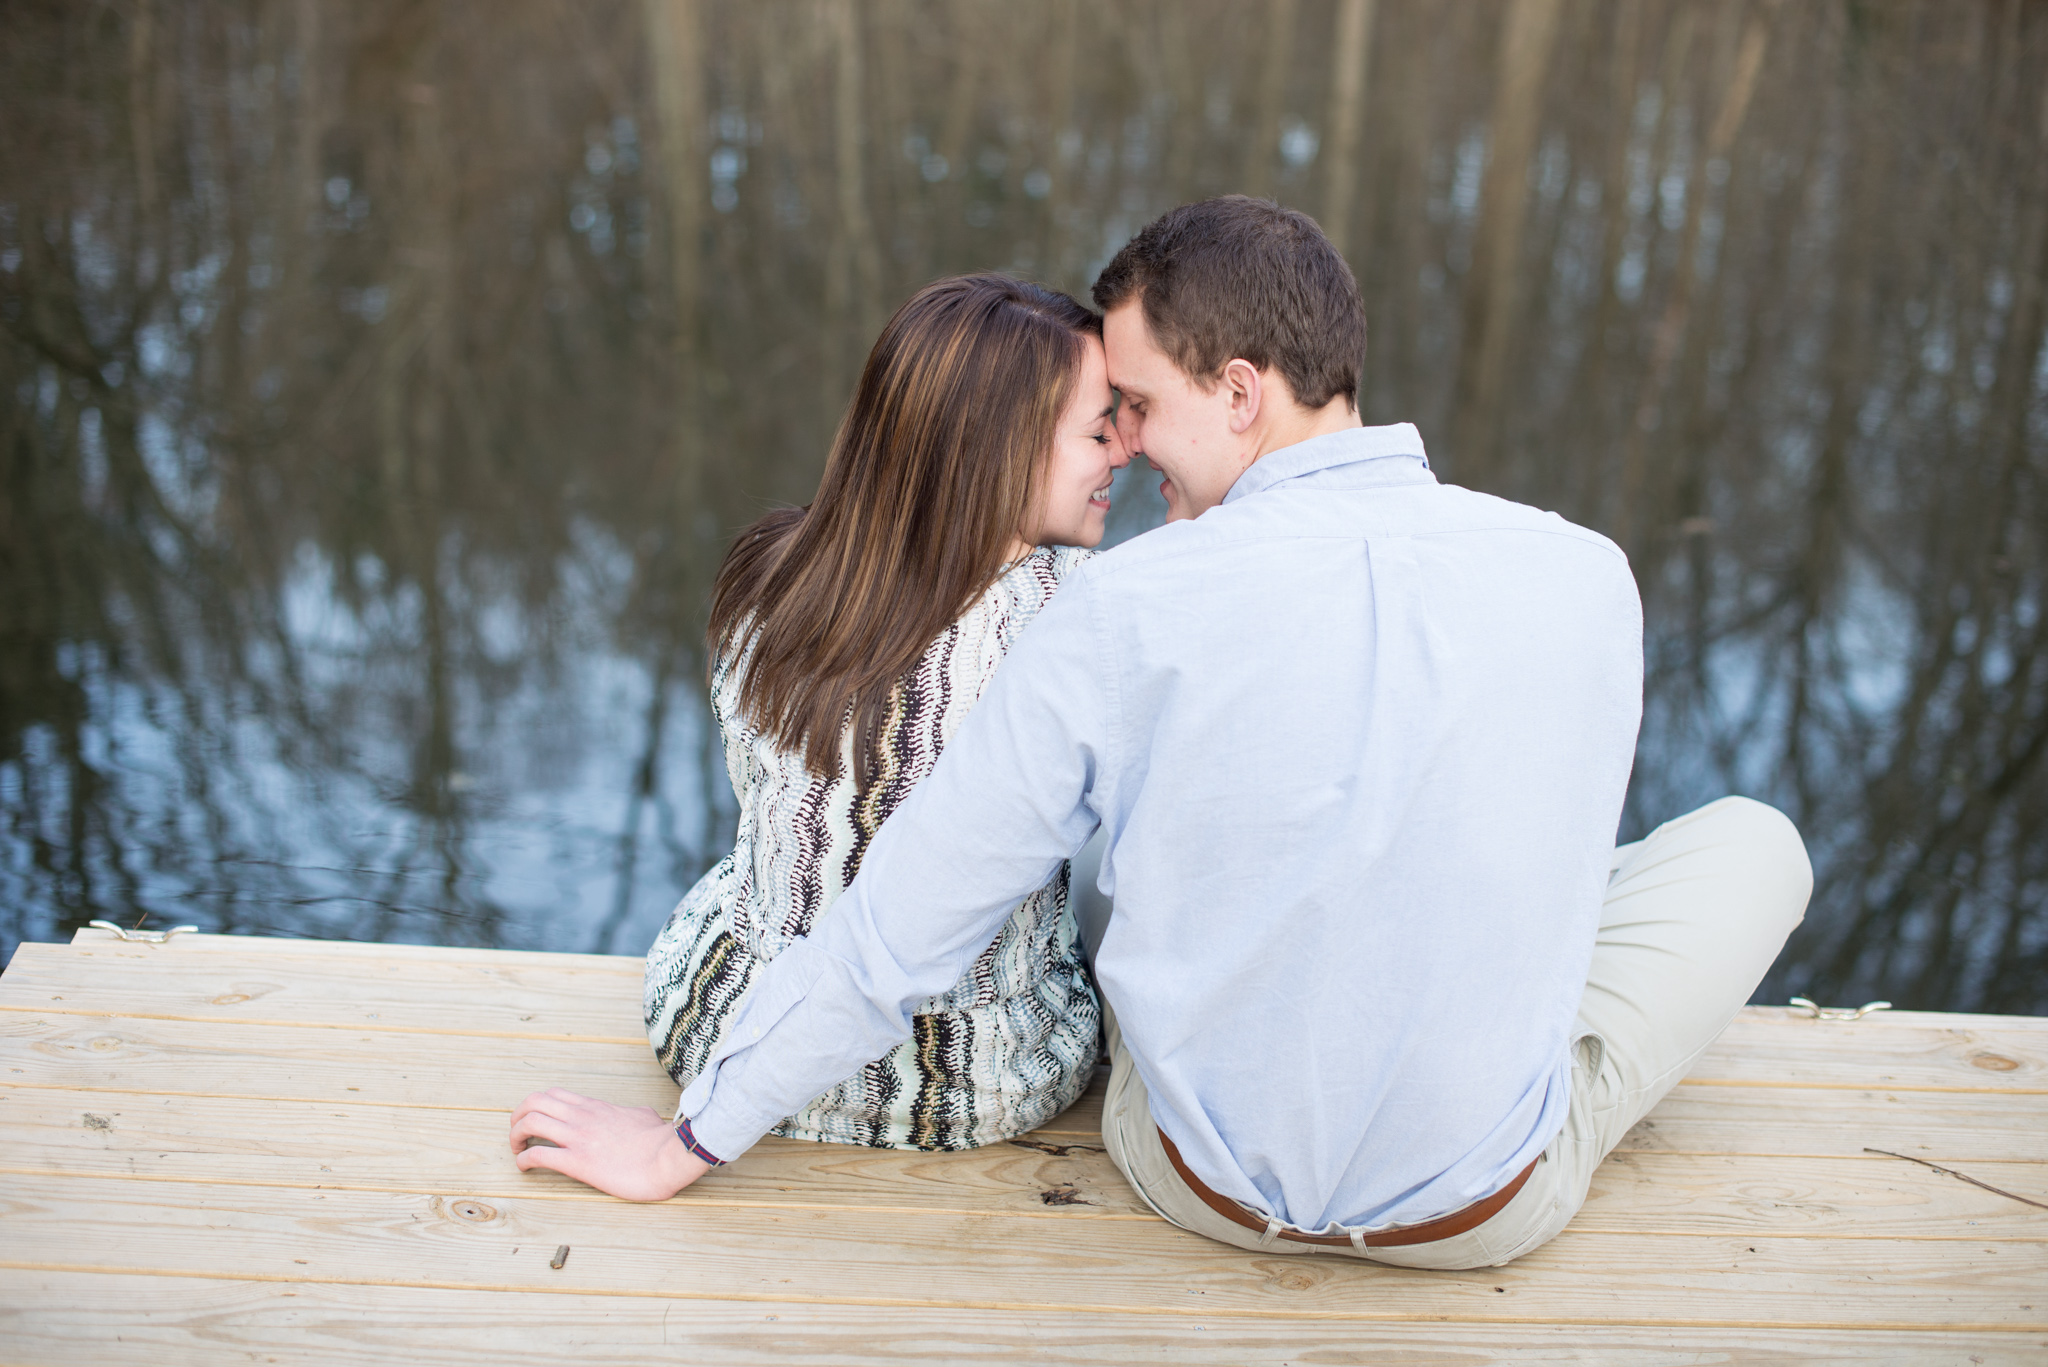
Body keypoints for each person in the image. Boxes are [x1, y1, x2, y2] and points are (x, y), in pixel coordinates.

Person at [512, 198, 1813, 1273]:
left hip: (1198, 1179)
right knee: (1750, 843)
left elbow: (893, 928)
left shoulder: (1124, 607)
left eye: (1133, 401)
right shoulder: (1584, 574)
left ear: (1239, 392)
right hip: (1476, 1210)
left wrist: (683, 1142)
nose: (1125, 444)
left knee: (1122, 831)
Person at [515, 273, 1127, 1174]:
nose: (1124, 450)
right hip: (964, 1081)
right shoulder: (1071, 618)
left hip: (714, 1021)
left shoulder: (775, 574)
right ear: (1001, 450)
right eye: (1099, 428)